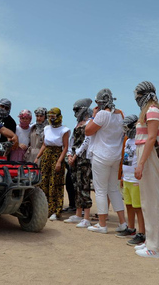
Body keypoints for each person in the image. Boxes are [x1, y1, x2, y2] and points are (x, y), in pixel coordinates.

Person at [85, 88, 128, 234]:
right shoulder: (120, 114)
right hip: (115, 156)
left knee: (101, 191)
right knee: (113, 189)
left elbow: (88, 131)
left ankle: (102, 224)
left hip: (101, 156)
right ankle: (123, 222)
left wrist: (93, 115)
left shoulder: (102, 114)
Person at [133, 81, 159, 259]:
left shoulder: (152, 110)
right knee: (147, 201)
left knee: (153, 202)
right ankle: (151, 241)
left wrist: (141, 163)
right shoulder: (150, 111)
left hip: (149, 155)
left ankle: (157, 247)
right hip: (146, 154)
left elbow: (151, 138)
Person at [34, 108, 70, 221]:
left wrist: (59, 161)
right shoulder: (46, 128)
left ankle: (55, 210)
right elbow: (44, 144)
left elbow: (65, 147)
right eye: (49, 116)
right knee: (44, 181)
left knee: (55, 182)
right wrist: (37, 157)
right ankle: (44, 208)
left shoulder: (64, 130)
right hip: (46, 155)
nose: (51, 118)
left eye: (53, 116)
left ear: (59, 116)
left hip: (57, 155)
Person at [116, 114, 146, 246]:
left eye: (127, 127)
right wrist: (122, 176)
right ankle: (131, 228)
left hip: (136, 179)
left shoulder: (140, 141)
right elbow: (125, 158)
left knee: (138, 206)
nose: (125, 130)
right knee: (128, 204)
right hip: (127, 177)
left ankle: (142, 232)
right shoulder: (128, 141)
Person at [64, 98, 93, 228]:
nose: (75, 112)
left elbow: (87, 142)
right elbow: (72, 142)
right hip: (75, 159)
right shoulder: (77, 124)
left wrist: (75, 155)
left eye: (77, 109)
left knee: (84, 186)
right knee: (76, 186)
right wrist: (69, 154)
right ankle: (78, 213)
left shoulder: (89, 123)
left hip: (84, 159)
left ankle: (86, 217)